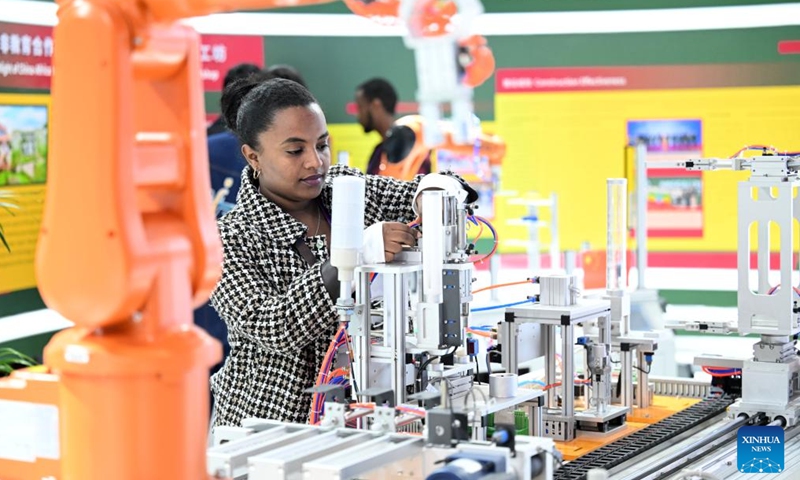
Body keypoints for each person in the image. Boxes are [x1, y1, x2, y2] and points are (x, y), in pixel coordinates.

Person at [209, 77, 473, 427]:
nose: (314, 162)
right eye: (295, 150)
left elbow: (427, 191)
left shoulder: (345, 191)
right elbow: (274, 326)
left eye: (322, 145)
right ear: (252, 156)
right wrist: (354, 253)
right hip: (271, 424)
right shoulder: (230, 237)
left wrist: (435, 192)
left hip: (361, 412)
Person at [355, 77, 431, 177]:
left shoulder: (411, 139)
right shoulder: (378, 152)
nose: (358, 115)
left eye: (360, 107)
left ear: (375, 105)